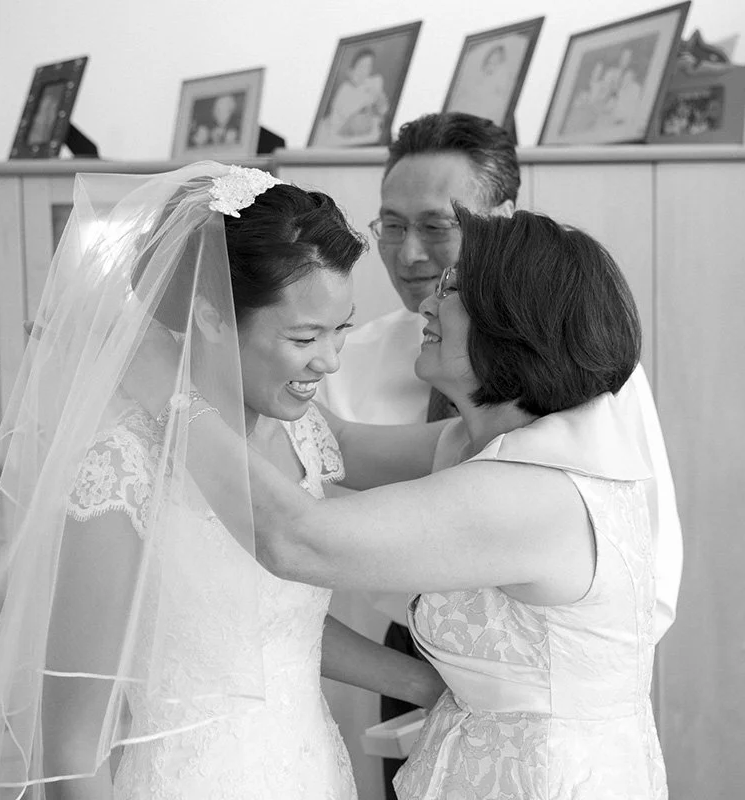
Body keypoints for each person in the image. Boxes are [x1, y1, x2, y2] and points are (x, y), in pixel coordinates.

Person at [0, 163, 443, 799]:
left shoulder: (302, 432)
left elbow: (273, 629)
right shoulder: (119, 470)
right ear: (209, 315)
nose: (330, 359)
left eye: (339, 329)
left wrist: (432, 686)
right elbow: (70, 744)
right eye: (304, 335)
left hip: (310, 771)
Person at [226, 205, 671, 797]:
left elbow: (297, 540)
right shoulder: (483, 440)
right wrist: (229, 355)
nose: (429, 303)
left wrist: (173, 393)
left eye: (454, 288)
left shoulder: (534, 492)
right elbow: (345, 447)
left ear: (515, 322)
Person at [318, 111, 682, 798]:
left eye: (435, 226)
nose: (409, 256)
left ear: (500, 224)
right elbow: (337, 450)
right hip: (412, 654)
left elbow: (645, 566)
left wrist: (549, 685)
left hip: (550, 681)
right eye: (390, 225)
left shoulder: (590, 382)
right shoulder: (352, 354)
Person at [320, 48, 389, 145]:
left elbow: (383, 110)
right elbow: (347, 120)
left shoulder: (371, 83)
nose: (364, 71)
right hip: (342, 132)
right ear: (352, 70)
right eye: (361, 66)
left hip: (366, 129)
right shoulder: (345, 89)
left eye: (368, 67)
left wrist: (378, 97)